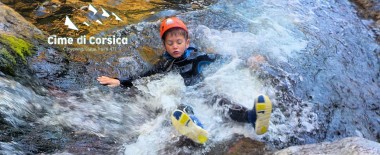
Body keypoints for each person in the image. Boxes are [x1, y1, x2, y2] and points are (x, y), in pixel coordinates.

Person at [97, 17, 272, 143]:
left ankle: (252, 116)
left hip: (203, 89)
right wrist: (119, 81)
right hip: (184, 94)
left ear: (187, 42)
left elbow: (225, 59)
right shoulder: (164, 64)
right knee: (179, 107)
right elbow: (142, 77)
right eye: (170, 43)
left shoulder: (198, 56)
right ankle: (195, 128)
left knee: (222, 101)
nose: (175, 46)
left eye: (178, 42)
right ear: (164, 45)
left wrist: (248, 60)